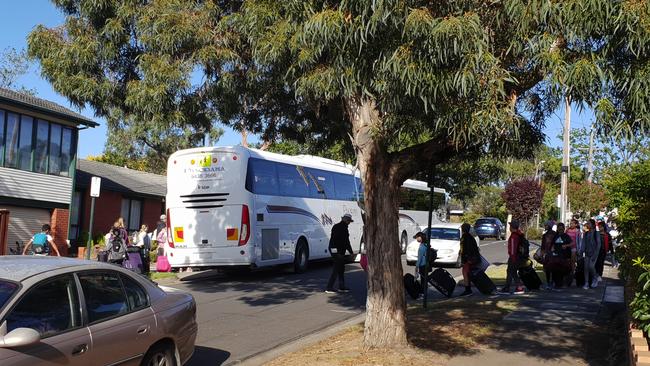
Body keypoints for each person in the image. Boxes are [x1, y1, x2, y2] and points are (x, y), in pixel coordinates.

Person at [326, 214, 355, 294]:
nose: (349, 223)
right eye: (349, 221)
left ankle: (341, 286)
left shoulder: (336, 226)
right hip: (337, 250)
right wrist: (351, 252)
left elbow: (335, 240)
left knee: (341, 267)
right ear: (346, 220)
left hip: (333, 249)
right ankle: (329, 287)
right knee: (337, 268)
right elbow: (346, 241)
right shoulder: (343, 228)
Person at [500, 220, 525, 295]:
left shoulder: (514, 236)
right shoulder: (519, 234)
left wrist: (512, 258)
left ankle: (511, 287)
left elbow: (513, 248)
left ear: (512, 227)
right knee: (512, 272)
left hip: (514, 256)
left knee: (511, 271)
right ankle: (514, 287)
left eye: (510, 226)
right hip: (519, 256)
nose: (509, 228)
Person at [459, 223, 480, 297]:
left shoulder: (466, 237)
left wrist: (467, 259)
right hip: (470, 258)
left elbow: (467, 249)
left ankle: (468, 290)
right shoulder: (470, 237)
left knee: (465, 273)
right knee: (467, 273)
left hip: (468, 259)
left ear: (462, 229)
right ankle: (468, 288)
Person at [549, 222, 572, 288]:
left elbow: (571, 243)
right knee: (555, 269)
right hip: (556, 256)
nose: (561, 231)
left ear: (564, 229)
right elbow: (552, 244)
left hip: (565, 255)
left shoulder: (566, 236)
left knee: (564, 269)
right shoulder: (555, 236)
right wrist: (552, 249)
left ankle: (564, 282)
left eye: (562, 229)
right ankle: (555, 282)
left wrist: (566, 245)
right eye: (559, 229)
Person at [581, 219, 601, 289]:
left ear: (592, 225)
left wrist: (596, 254)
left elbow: (599, 244)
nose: (587, 225)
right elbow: (583, 243)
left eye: (589, 223)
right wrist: (581, 251)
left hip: (594, 253)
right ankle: (586, 282)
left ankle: (595, 278)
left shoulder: (596, 233)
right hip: (587, 252)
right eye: (587, 223)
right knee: (586, 268)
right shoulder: (586, 233)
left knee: (591, 266)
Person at [541, 221, 556, 290]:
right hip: (547, 253)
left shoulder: (554, 234)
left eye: (546, 225)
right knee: (547, 268)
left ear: (549, 226)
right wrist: (542, 252)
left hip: (552, 253)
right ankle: (549, 282)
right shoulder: (545, 235)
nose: (545, 226)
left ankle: (552, 282)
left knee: (551, 268)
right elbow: (543, 245)